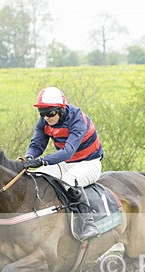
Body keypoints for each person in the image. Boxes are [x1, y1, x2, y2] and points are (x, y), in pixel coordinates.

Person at [21, 86, 105, 240]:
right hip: (65, 162)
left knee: (68, 181)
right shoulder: (44, 122)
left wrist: (41, 161)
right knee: (38, 177)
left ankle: (89, 223)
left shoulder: (78, 120)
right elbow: (36, 145)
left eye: (50, 113)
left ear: (61, 109)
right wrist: (28, 158)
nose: (47, 117)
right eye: (42, 113)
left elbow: (68, 151)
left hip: (89, 163)